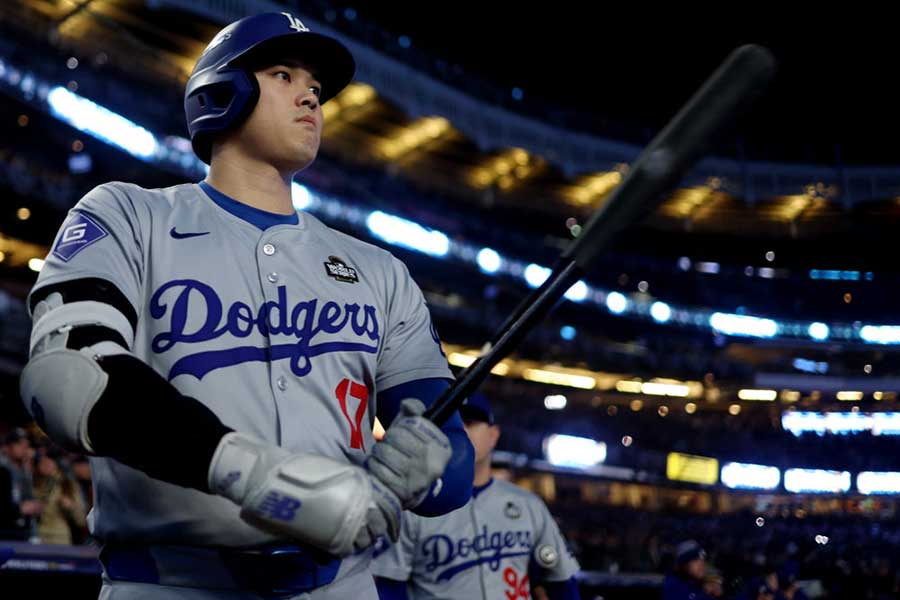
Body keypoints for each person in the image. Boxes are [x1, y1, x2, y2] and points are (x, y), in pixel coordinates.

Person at [20, 11, 473, 599]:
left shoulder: (380, 270)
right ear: (218, 93)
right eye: (283, 73)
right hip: (170, 586)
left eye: (316, 86)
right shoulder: (128, 215)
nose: (311, 93)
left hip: (344, 587)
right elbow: (66, 378)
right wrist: (260, 478)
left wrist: (429, 472)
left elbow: (456, 455)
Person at [372, 393, 581, 599]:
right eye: (452, 421)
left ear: (493, 435)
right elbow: (388, 586)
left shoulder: (528, 505)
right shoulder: (413, 506)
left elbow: (559, 582)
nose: (460, 430)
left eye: (470, 422)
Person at [32, 447, 88, 545]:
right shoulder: (34, 482)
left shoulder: (67, 484)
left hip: (58, 539)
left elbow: (81, 520)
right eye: (41, 461)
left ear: (55, 463)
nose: (44, 464)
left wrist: (71, 507)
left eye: (47, 461)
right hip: (37, 537)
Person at [0, 428, 42, 541]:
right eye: (19, 443)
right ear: (7, 447)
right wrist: (19, 509)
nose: (24, 447)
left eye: (26, 443)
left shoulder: (26, 470)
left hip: (24, 533)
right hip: (5, 534)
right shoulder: (3, 470)